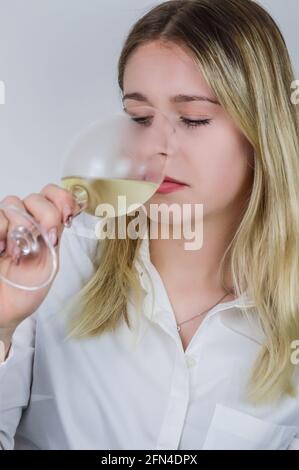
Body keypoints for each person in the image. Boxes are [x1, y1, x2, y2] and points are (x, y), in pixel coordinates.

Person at [1, 0, 299, 450]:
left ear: (262, 129)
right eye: (140, 118)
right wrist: (2, 325)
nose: (156, 146)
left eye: (193, 118)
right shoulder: (52, 265)